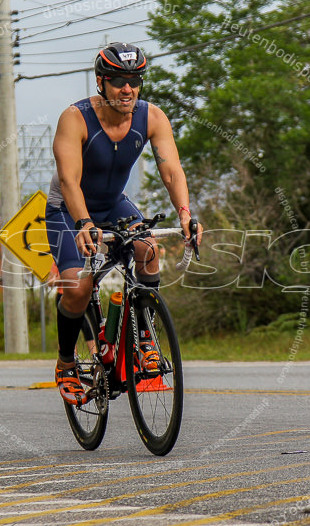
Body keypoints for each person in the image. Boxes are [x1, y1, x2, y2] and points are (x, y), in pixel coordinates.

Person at [46, 42, 202, 405]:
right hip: (68, 210)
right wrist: (84, 223)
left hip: (113, 203)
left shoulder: (152, 117)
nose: (127, 88)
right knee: (77, 288)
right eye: (118, 80)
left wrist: (185, 213)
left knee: (148, 249)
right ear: (101, 83)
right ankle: (66, 362)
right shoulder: (75, 117)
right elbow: (69, 180)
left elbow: (170, 169)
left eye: (134, 80)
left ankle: (145, 338)